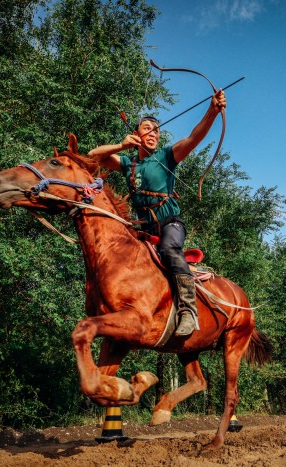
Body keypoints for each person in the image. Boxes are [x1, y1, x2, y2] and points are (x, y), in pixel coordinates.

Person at [88, 89, 227, 336]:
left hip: (170, 223)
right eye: (147, 129)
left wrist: (212, 110)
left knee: (169, 249)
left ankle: (188, 310)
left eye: (156, 130)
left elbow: (194, 137)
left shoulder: (166, 156)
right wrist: (121, 145)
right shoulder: (129, 162)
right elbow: (92, 157)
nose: (153, 134)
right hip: (143, 228)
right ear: (136, 133)